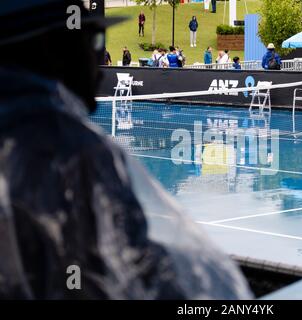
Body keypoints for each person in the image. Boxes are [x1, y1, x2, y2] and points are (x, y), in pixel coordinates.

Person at [0, 0, 251, 300]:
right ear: (52, 49)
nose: (99, 66)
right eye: (92, 41)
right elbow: (143, 273)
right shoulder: (79, 155)